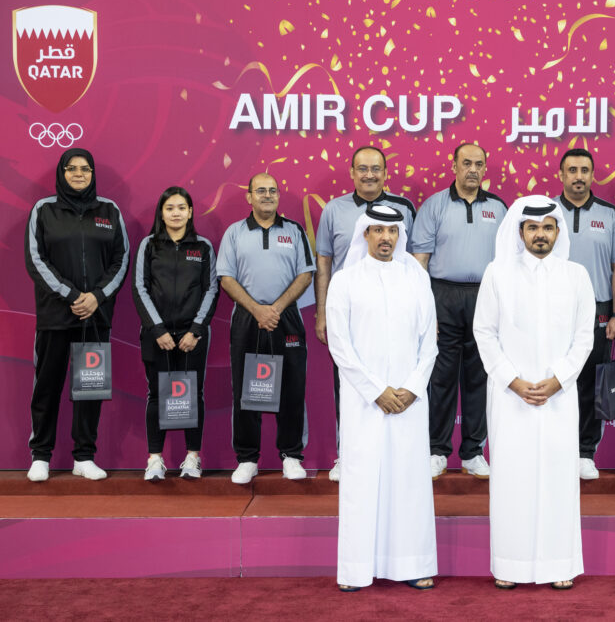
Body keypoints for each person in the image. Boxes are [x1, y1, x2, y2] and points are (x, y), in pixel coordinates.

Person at [473, 195, 595, 590]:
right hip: (511, 396)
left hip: (560, 395)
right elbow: (484, 332)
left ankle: (559, 565)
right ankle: (509, 566)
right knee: (512, 480)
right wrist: (513, 380)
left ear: (558, 231)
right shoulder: (497, 273)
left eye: (547, 227)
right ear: (520, 231)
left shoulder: (576, 275)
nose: (540, 234)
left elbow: (584, 337)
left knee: (559, 479)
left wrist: (558, 379)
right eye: (532, 228)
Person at [327, 204, 438, 591]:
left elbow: (429, 342)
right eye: (378, 231)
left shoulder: (416, 280)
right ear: (365, 234)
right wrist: (376, 391)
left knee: (408, 482)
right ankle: (357, 569)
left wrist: (412, 388)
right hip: (364, 402)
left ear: (399, 236)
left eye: (392, 231)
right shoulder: (345, 281)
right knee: (362, 480)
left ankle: (412, 565)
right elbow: (340, 346)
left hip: (409, 400)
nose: (386, 238)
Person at [24, 148, 130, 482]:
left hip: (94, 317)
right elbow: (36, 260)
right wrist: (71, 295)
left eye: (85, 169)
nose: (79, 174)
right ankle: (40, 456)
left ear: (93, 174)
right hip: (55, 315)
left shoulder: (109, 211)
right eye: (72, 168)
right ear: (62, 172)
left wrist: (96, 297)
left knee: (90, 389)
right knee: (47, 386)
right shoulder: (44, 210)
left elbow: (121, 260)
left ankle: (84, 457)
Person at [315, 146, 416, 482]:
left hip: (395, 312)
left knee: (395, 378)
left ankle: (394, 454)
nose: (369, 175)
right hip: (349, 312)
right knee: (349, 382)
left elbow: (412, 260)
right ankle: (347, 454)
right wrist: (322, 313)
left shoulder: (403, 208)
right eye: (362, 168)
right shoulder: (334, 209)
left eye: (376, 169)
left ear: (386, 173)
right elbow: (324, 262)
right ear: (352, 172)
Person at [411, 143, 508, 479]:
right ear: (453, 166)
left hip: (484, 297)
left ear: (485, 169)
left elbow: (508, 263)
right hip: (442, 296)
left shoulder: (498, 208)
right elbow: (420, 261)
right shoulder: (434, 205)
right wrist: (426, 309)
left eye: (479, 164)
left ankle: (473, 452)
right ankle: (437, 450)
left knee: (480, 376)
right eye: (466, 163)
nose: (472, 169)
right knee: (441, 377)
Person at [217, 173, 315, 484]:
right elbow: (226, 278)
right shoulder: (234, 233)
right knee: (246, 389)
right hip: (248, 317)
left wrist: (275, 308)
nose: (267, 195)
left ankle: (292, 455)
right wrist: (258, 309)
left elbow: (306, 274)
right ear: (249, 197)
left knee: (292, 387)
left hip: (286, 317)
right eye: (261, 190)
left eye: (273, 190)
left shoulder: (294, 230)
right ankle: (247, 459)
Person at [132, 187, 219, 481]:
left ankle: (192, 457)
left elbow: (211, 289)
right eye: (170, 208)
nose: (176, 213)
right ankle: (155, 459)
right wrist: (157, 329)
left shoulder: (203, 247)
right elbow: (140, 288)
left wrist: (196, 330)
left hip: (192, 336)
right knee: (157, 393)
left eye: (182, 207)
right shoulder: (149, 245)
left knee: (193, 393)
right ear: (161, 212)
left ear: (190, 212)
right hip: (156, 334)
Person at [555, 148, 615, 480]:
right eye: (572, 170)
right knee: (553, 380)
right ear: (561, 174)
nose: (578, 176)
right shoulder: (545, 210)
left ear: (592, 174)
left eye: (584, 170)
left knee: (588, 383)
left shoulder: (610, 214)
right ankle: (554, 451)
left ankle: (585, 453)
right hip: (551, 309)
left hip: (597, 310)